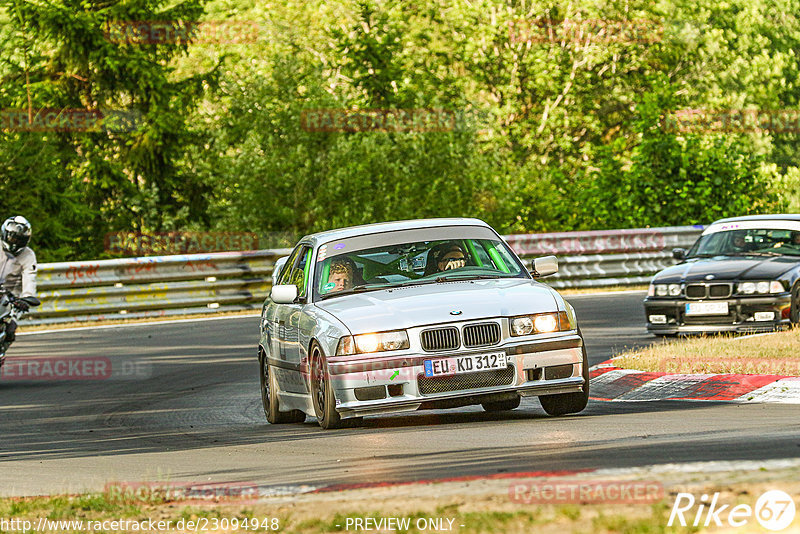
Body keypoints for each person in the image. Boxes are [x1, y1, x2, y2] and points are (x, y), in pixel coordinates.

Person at [0, 216, 37, 361]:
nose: (14, 242)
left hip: (13, 297)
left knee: (10, 329)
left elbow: (30, 276)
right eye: (12, 238)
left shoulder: (28, 255)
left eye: (19, 240)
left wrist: (27, 297)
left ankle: (2, 351)